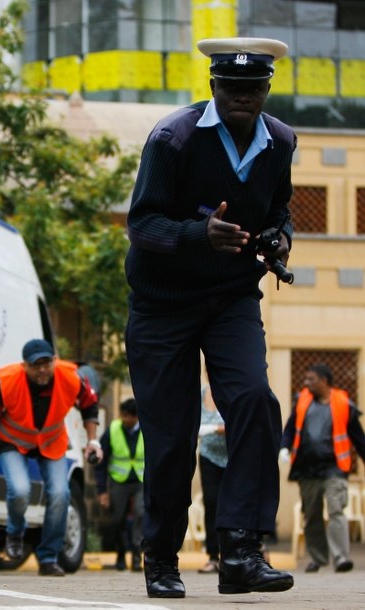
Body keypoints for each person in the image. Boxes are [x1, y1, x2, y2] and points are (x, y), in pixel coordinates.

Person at [125, 36, 296, 598]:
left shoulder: (282, 143)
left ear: (267, 90)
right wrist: (198, 234)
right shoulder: (172, 139)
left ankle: (241, 551)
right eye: (231, 87)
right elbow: (142, 224)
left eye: (252, 88)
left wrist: (278, 238)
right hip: (162, 306)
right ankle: (162, 559)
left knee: (254, 401)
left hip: (230, 300)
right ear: (213, 87)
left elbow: (280, 209)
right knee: (172, 439)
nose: (242, 97)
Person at [0, 338, 102, 577]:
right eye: (35, 364)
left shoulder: (72, 377)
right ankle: (15, 533)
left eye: (46, 363)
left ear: (54, 361)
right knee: (20, 490)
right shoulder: (6, 383)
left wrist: (92, 441)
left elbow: (89, 405)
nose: (42, 369)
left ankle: (48, 557)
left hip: (50, 441)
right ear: (24, 366)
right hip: (11, 441)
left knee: (60, 494)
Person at [279, 363, 365, 574]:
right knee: (312, 514)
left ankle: (341, 557)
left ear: (325, 382)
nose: (307, 383)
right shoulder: (302, 401)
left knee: (336, 509)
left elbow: (359, 438)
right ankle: (317, 558)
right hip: (307, 469)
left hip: (334, 468)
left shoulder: (344, 404)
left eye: (311, 379)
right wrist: (284, 447)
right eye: (306, 379)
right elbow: (290, 429)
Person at [95, 398, 144, 572]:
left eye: (130, 417)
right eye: (123, 416)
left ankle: (137, 555)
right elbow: (101, 462)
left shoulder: (147, 429)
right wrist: (102, 491)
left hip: (141, 480)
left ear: (137, 417)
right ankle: (121, 553)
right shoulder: (113, 430)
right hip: (118, 480)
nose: (126, 420)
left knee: (140, 514)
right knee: (117, 519)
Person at [197, 385, 227, 574]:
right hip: (208, 456)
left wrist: (212, 429)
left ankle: (234, 554)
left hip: (233, 455)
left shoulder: (231, 389)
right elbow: (192, 423)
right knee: (211, 502)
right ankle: (213, 556)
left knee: (233, 503)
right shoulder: (200, 394)